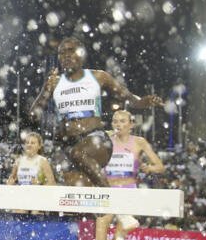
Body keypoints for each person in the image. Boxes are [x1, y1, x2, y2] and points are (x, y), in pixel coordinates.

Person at [28, 36, 165, 187]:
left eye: (71, 51)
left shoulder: (98, 76)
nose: (66, 55)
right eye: (61, 53)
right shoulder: (55, 82)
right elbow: (34, 115)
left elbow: (128, 98)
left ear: (80, 53)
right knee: (72, 186)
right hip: (67, 143)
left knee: (79, 154)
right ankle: (95, 208)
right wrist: (45, 88)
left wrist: (144, 101)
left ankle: (107, 196)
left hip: (96, 139)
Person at [94, 110, 165, 240]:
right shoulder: (105, 137)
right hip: (107, 193)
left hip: (128, 194)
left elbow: (159, 166)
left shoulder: (139, 142)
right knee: (99, 239)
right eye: (115, 120)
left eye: (122, 121)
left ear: (131, 124)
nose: (118, 123)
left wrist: (148, 169)